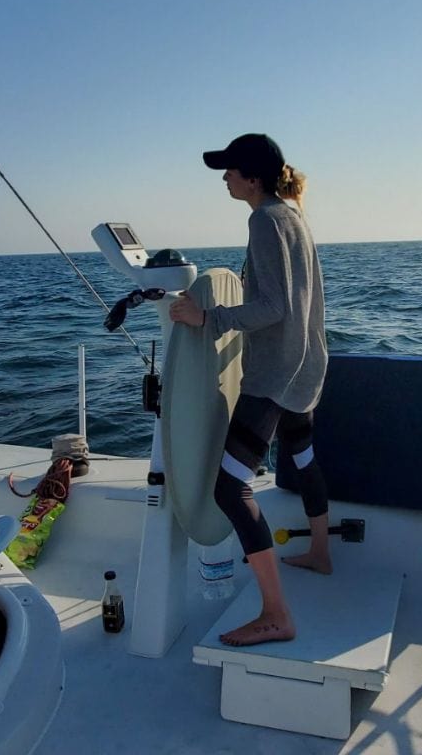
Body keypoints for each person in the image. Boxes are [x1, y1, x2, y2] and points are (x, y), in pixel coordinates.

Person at [169, 133, 330, 647]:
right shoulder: (293, 215)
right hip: (307, 367)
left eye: (231, 171)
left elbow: (274, 307)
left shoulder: (264, 220)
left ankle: (276, 614)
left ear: (253, 178)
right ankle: (321, 552)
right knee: (302, 458)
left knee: (229, 489)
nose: (225, 178)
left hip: (276, 377)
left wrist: (207, 317)